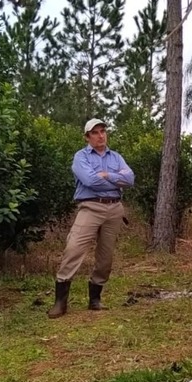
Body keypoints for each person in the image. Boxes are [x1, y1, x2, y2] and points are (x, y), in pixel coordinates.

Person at [47, 118, 134, 317]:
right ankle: (60, 302)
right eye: (95, 132)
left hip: (114, 209)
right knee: (74, 249)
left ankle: (95, 299)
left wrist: (106, 175)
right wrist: (116, 178)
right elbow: (90, 180)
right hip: (90, 207)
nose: (100, 135)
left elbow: (130, 179)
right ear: (87, 137)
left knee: (106, 256)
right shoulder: (81, 157)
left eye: (103, 131)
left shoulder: (116, 157)